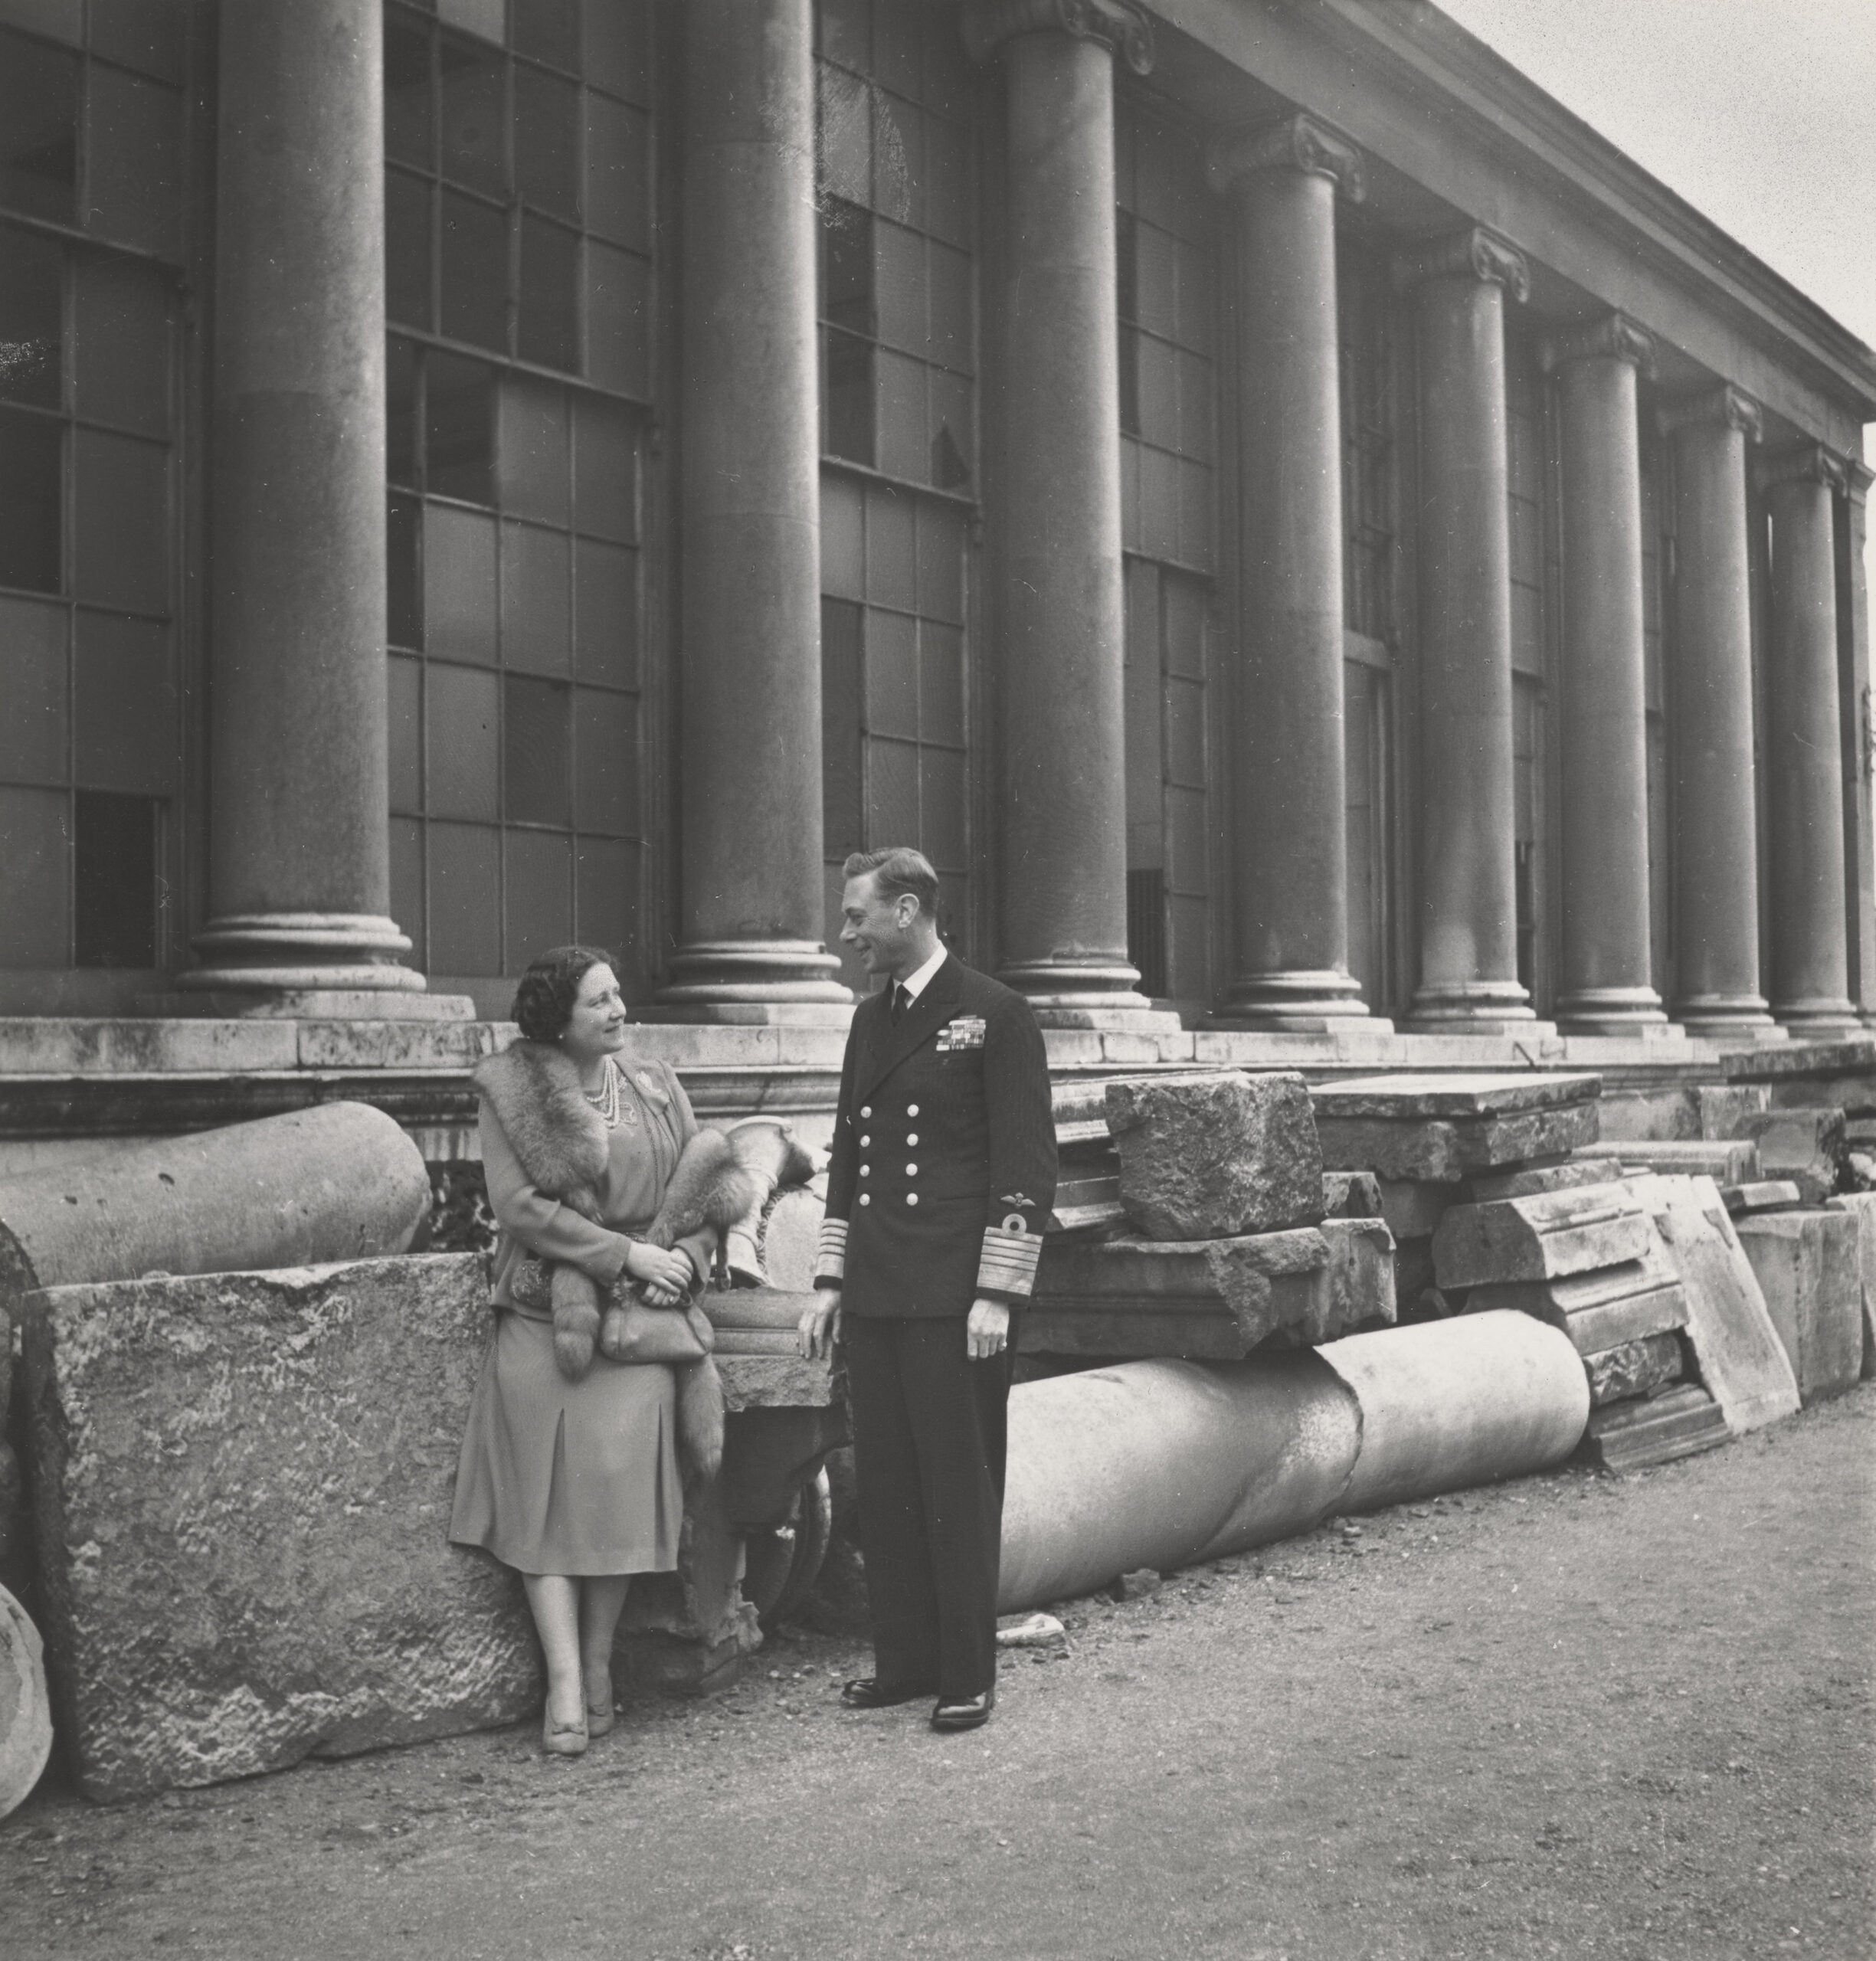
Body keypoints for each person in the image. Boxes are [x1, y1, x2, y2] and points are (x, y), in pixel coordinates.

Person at [798, 847, 1056, 1732]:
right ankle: (904, 1662)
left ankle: (965, 1672)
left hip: (956, 1296)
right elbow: (847, 1162)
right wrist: (830, 1277)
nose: (846, 934)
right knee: (892, 1483)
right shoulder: (869, 1023)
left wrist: (998, 1292)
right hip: (877, 1287)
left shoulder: (996, 1013)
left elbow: (1024, 1167)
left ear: (906, 911)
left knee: (957, 1483)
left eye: (857, 915)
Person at [451, 946, 715, 1757]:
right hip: (545, 1313)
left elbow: (705, 1187)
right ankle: (564, 1679)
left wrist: (687, 1265)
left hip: (641, 1322)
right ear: (557, 1018)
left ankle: (598, 1660)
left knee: (617, 1495)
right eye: (599, 1000)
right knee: (545, 1501)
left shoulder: (656, 1086)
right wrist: (621, 1255)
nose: (619, 1009)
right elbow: (519, 1208)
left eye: (620, 993)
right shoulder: (515, 1091)